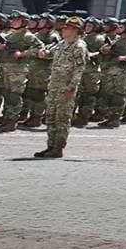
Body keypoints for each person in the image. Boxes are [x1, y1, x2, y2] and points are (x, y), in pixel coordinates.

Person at [32, 16, 88, 159]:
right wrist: (43, 53)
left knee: (61, 119)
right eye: (64, 27)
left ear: (77, 30)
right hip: (54, 86)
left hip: (65, 88)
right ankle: (50, 146)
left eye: (68, 28)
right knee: (51, 117)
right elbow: (49, 52)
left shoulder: (79, 46)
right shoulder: (62, 44)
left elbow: (79, 70)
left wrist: (71, 88)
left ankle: (58, 148)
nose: (64, 29)